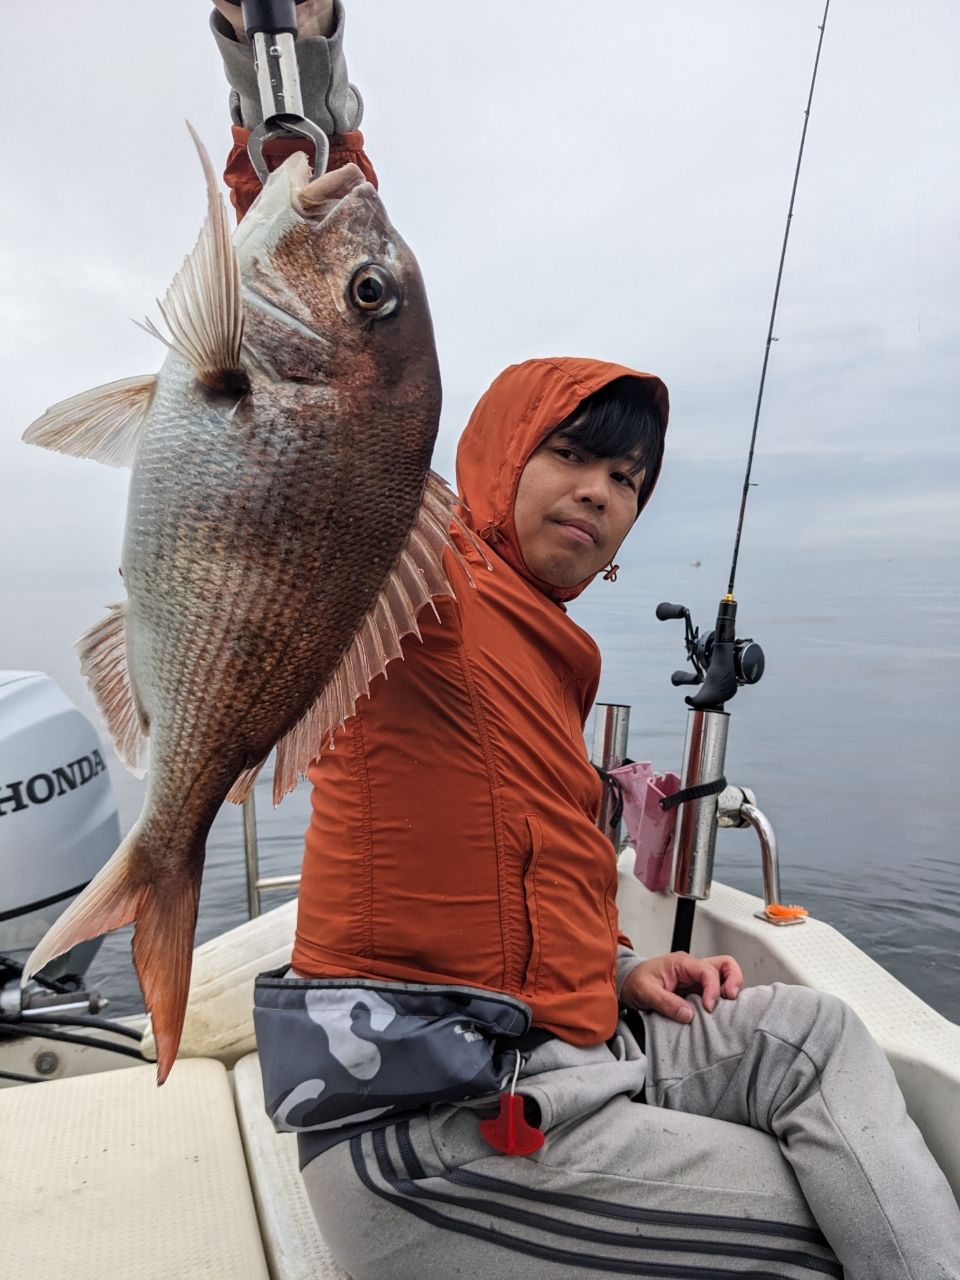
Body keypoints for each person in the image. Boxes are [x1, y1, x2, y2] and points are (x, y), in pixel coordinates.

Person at [211, 4, 960, 1277]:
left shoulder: (549, 654)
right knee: (818, 1222)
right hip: (424, 1117)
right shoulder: (411, 565)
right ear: (498, 458)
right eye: (571, 452)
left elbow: (523, 866)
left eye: (627, 478)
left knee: (815, 1034)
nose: (601, 490)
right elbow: (325, 290)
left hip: (565, 1042)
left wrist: (619, 970)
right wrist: (290, 73)